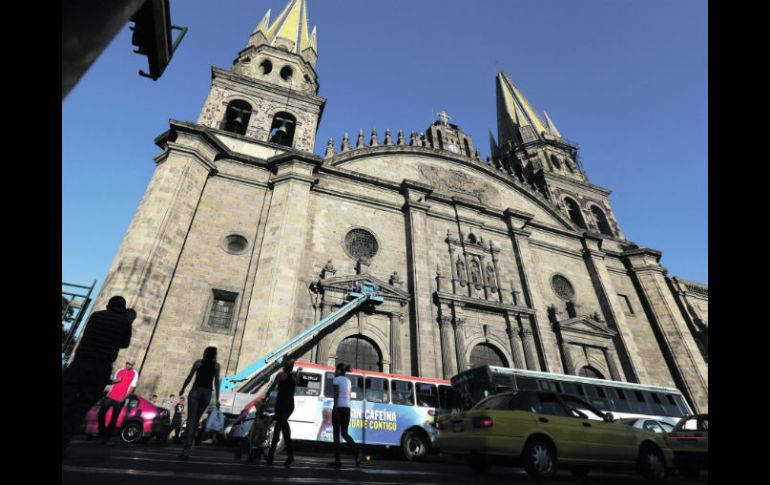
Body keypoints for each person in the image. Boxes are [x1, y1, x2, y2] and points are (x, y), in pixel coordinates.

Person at [62, 296, 136, 454]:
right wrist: (126, 321)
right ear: (122, 309)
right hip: (100, 368)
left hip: (80, 364)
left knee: (65, 400)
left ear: (108, 306)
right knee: (80, 408)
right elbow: (124, 344)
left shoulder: (96, 316)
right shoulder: (124, 323)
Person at [178, 346, 221, 460]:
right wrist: (218, 398)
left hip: (196, 391)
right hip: (207, 393)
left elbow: (189, 377)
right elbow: (216, 383)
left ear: (205, 353)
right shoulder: (216, 366)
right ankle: (188, 448)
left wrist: (183, 388)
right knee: (196, 420)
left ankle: (186, 449)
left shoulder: (198, 363)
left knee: (191, 420)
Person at [98, 357, 139, 443]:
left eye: (130, 364)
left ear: (133, 365)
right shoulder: (120, 370)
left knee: (114, 418)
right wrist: (116, 380)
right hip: (110, 396)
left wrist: (124, 397)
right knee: (101, 413)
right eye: (127, 363)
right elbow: (111, 382)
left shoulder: (134, 373)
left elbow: (132, 387)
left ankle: (106, 437)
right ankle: (102, 432)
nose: (128, 365)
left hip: (120, 399)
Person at [329, 363, 362, 467]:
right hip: (347, 408)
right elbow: (348, 396)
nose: (335, 371)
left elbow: (336, 395)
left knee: (336, 435)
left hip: (338, 408)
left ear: (339, 370)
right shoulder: (348, 381)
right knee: (344, 433)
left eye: (336, 369)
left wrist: (334, 408)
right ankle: (357, 451)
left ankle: (338, 461)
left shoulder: (336, 380)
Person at [265, 359, 296, 467]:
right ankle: (271, 456)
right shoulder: (293, 377)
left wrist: (266, 396)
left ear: (284, 367)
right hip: (290, 405)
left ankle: (289, 456)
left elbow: (272, 387)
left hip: (282, 405)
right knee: (278, 428)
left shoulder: (281, 375)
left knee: (283, 430)